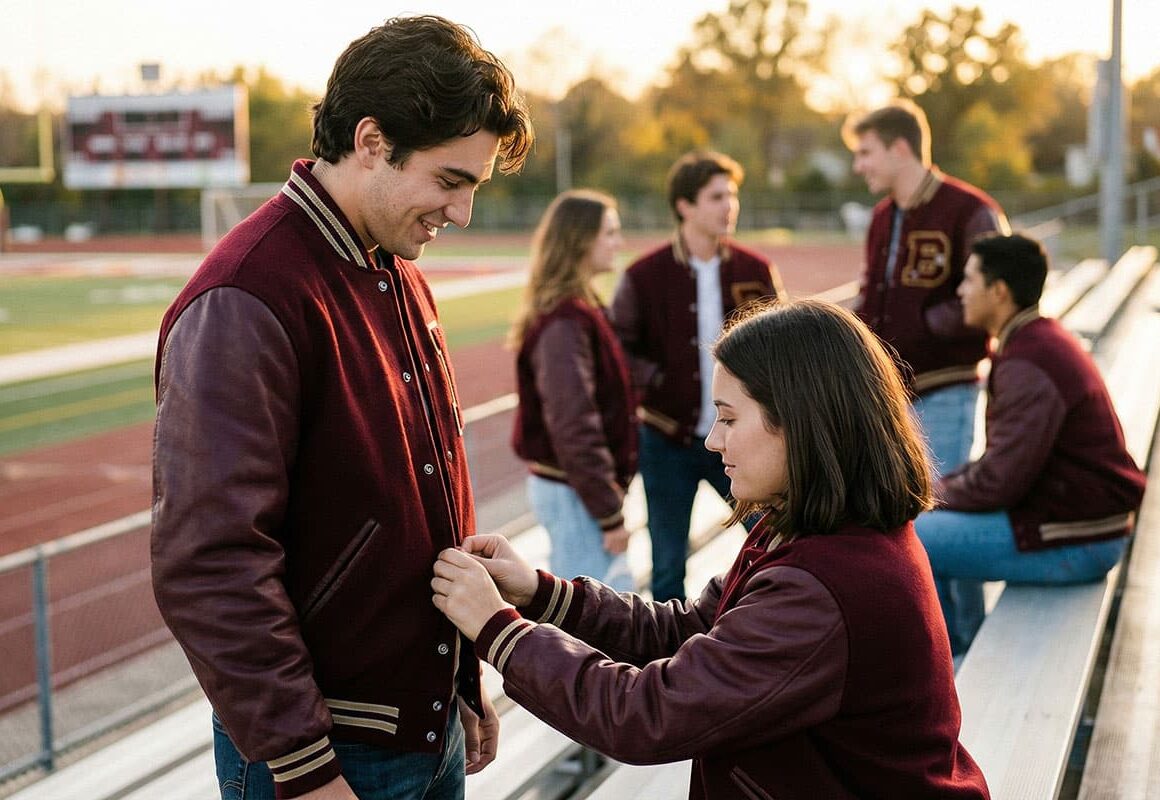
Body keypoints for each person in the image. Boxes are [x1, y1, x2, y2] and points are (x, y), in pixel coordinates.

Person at [151, 16, 533, 800]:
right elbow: (211, 562)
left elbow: (419, 497)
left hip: (419, 731)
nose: (460, 213)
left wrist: (456, 685)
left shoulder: (393, 264)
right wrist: (302, 765)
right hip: (328, 759)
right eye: (450, 181)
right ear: (370, 139)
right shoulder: (246, 295)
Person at [432, 299, 991, 800]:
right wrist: (539, 593)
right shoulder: (809, 529)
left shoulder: (824, 586)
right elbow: (693, 630)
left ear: (800, 423)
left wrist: (498, 630)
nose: (711, 439)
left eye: (728, 417)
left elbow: (645, 714)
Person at [915, 234, 1146, 655]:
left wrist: (928, 497)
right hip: (1076, 525)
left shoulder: (1029, 360)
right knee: (934, 519)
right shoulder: (1035, 341)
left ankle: (948, 661)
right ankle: (960, 643)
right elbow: (998, 470)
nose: (960, 291)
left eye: (968, 280)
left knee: (913, 535)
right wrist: (936, 492)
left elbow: (999, 483)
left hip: (1081, 540)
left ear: (998, 291)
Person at [609, 150, 784, 602]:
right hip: (667, 440)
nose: (730, 206)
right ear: (685, 205)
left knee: (774, 542)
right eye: (716, 196)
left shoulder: (754, 270)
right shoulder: (645, 275)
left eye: (733, 195)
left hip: (744, 435)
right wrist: (660, 381)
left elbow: (787, 346)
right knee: (667, 564)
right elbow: (616, 350)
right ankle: (668, 665)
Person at [843, 99, 1010, 475]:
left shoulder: (970, 210)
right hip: (884, 395)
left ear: (900, 149)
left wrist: (926, 325)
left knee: (935, 516)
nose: (859, 166)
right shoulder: (882, 216)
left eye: (866, 153)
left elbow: (999, 294)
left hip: (945, 391)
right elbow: (872, 295)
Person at [508, 190, 638, 592]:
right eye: (610, 233)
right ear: (580, 240)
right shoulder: (564, 321)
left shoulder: (580, 308)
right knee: (595, 617)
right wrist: (609, 512)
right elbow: (573, 424)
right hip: (575, 493)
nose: (618, 243)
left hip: (579, 490)